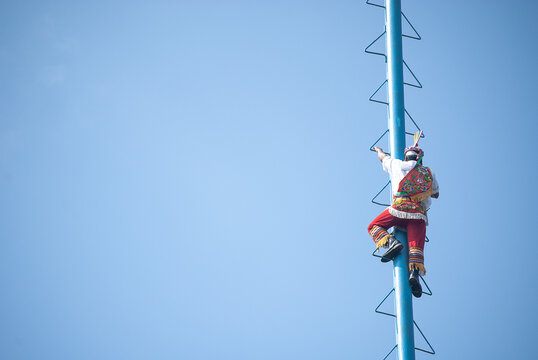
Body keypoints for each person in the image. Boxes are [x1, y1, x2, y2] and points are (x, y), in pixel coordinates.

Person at [367, 135, 439, 298]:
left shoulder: (397, 165)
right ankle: (414, 273)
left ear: (406, 156)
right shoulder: (429, 173)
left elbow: (383, 158)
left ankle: (392, 243)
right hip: (420, 215)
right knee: (416, 248)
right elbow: (436, 194)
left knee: (374, 226)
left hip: (400, 208)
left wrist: (379, 151)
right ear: (420, 158)